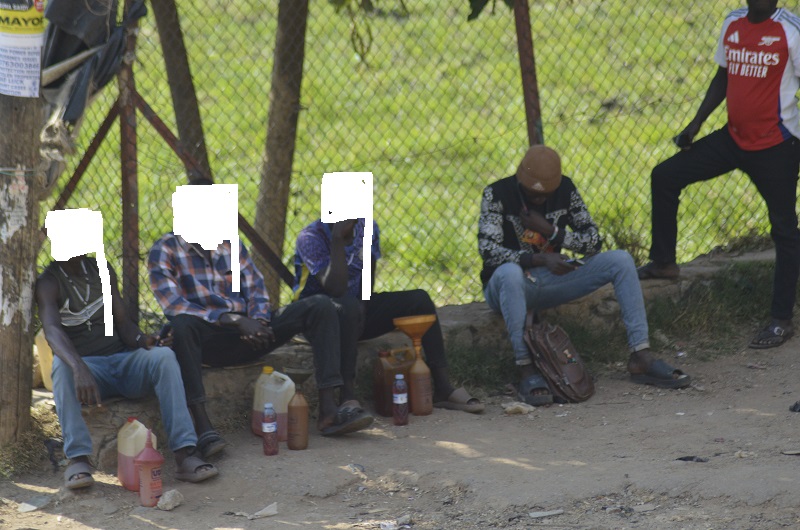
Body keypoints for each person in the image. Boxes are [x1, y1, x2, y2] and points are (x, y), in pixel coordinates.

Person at [148, 187, 374, 448]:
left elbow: (256, 289)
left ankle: (329, 410)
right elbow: (174, 305)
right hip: (207, 341)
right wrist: (232, 320)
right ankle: (202, 426)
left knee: (320, 305)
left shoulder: (229, 243)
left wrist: (258, 322)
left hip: (251, 335)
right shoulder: (164, 250)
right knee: (182, 326)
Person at [638, 1, 800, 349]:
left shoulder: (790, 30)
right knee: (664, 176)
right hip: (733, 137)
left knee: (784, 229)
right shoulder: (733, 22)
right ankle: (664, 262)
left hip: (776, 145)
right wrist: (695, 125)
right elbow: (723, 76)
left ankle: (780, 319)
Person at [478, 145, 691, 405]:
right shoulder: (496, 194)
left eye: (545, 195)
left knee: (621, 260)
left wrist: (552, 232)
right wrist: (537, 258)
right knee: (510, 273)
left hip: (550, 278)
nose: (538, 199)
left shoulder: (566, 189)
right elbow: (488, 250)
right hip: (507, 286)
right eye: (532, 194)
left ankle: (641, 355)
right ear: (520, 181)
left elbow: (592, 242)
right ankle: (526, 369)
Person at [36, 254, 218, 490]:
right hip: (90, 370)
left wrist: (145, 340)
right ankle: (78, 459)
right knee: (62, 367)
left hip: (123, 360)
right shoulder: (49, 282)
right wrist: (79, 367)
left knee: (163, 357)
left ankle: (185, 454)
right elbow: (51, 330)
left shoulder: (101, 268)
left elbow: (123, 324)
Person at [293, 218, 484, 414]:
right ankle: (347, 395)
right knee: (348, 307)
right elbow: (335, 287)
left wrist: (364, 306)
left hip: (355, 311)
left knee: (420, 300)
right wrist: (337, 239)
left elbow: (368, 277)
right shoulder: (311, 237)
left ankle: (443, 388)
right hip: (317, 319)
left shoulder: (367, 227)